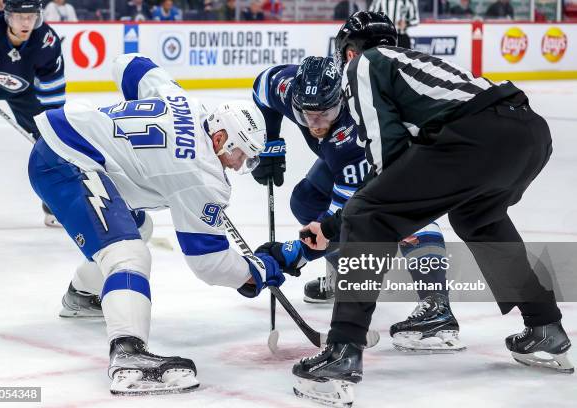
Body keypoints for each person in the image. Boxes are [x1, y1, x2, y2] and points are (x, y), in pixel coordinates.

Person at [293, 11, 574, 407]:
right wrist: (335, 224)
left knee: (367, 214)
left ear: (350, 51)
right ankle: (546, 327)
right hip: (527, 133)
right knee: (478, 218)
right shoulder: (413, 66)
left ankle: (342, 351)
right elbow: (417, 175)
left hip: (479, 138)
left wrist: (351, 219)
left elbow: (386, 161)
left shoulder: (367, 64)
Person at [28, 52, 304, 394]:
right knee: (128, 256)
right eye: (240, 154)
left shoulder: (184, 99)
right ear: (220, 139)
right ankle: (127, 354)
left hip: (69, 141)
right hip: (67, 163)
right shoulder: (201, 177)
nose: (238, 165)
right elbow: (208, 262)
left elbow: (128, 64)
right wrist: (256, 272)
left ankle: (83, 295)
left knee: (138, 229)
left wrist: (135, 133)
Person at [253, 56, 464, 353]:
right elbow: (262, 85)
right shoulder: (289, 90)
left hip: (411, 156)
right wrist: (271, 143)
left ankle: (437, 308)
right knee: (306, 199)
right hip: (350, 156)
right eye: (307, 114)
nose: (315, 123)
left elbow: (344, 220)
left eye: (324, 113)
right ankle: (345, 277)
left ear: (341, 100)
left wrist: (293, 254)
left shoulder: (352, 134)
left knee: (405, 215)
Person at [0, 0, 65, 227]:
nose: (27, 22)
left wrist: (53, 127)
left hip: (24, 90)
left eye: (32, 16)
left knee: (52, 141)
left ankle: (55, 205)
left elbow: (53, 94)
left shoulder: (47, 42)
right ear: (7, 15)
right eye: (21, 16)